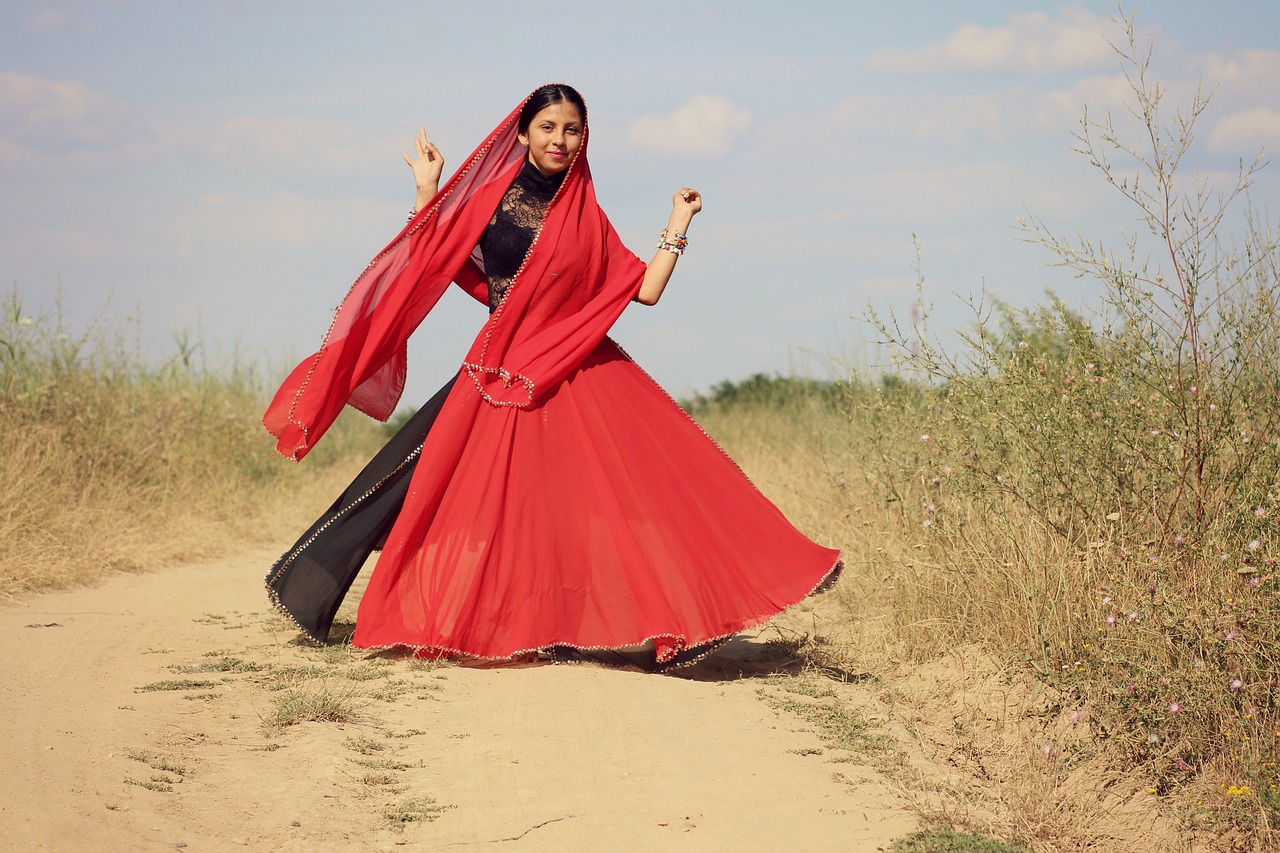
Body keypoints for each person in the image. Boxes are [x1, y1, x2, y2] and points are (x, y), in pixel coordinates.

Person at [263, 84, 840, 671]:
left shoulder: (586, 212)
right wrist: (427, 189)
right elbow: (431, 252)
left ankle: (640, 617)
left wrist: (678, 221)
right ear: (522, 133)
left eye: (571, 130)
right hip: (501, 368)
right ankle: (421, 609)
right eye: (547, 128)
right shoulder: (491, 198)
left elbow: (645, 290)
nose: (559, 140)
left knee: (631, 492)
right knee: (428, 488)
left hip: (576, 365)